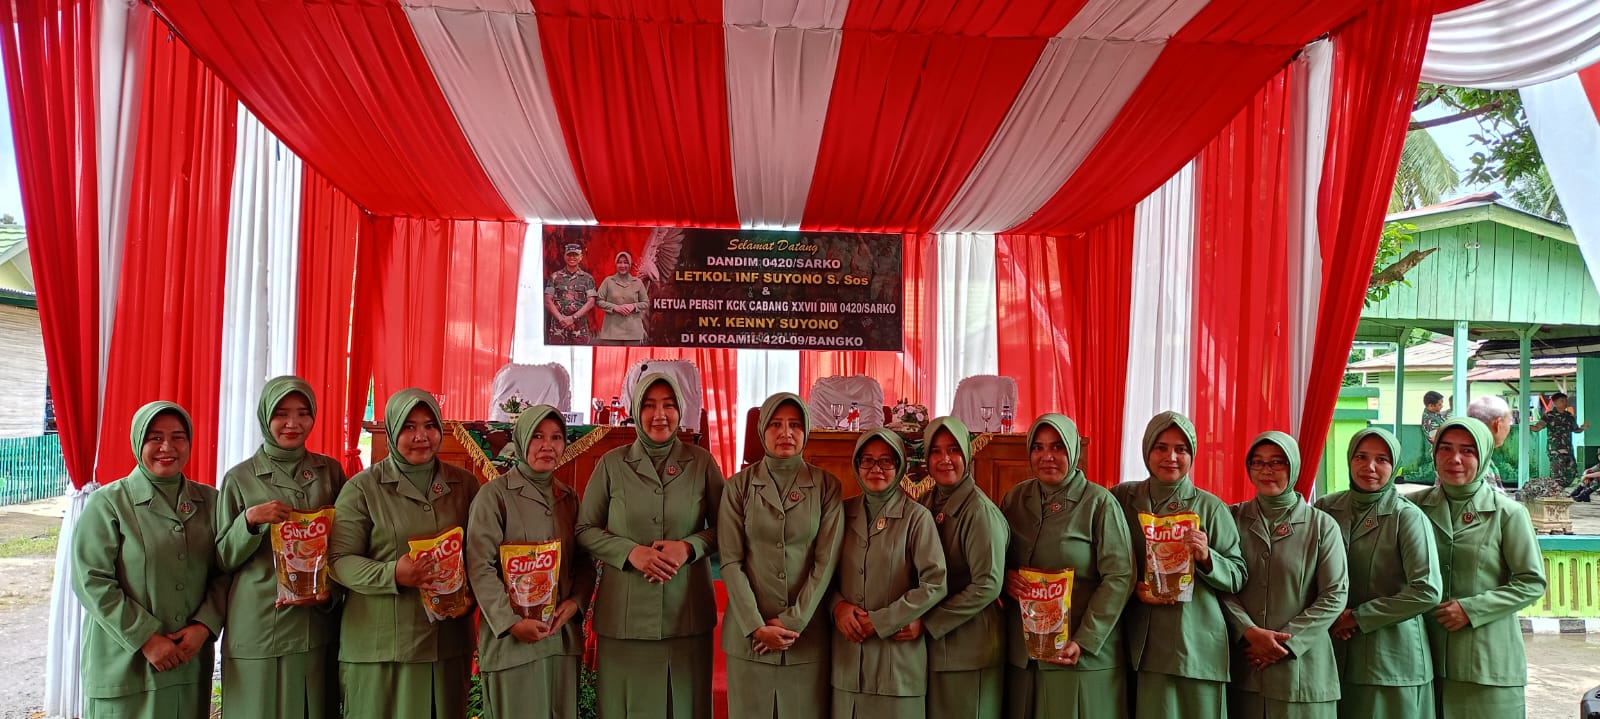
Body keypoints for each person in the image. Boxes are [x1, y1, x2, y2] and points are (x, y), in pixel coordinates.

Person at [577, 373, 724, 718]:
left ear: (680, 410)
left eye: (668, 405)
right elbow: (584, 529)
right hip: (624, 617)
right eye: (649, 405)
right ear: (635, 411)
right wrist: (630, 552)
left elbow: (727, 529)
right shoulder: (612, 464)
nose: (660, 415)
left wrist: (689, 547)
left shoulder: (702, 462)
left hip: (685, 614)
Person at [330, 388, 479, 719]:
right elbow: (338, 561)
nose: (421, 436)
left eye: (430, 425)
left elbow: (480, 553)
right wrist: (393, 574)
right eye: (409, 427)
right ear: (392, 429)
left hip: (446, 644)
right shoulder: (363, 488)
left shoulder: (465, 484)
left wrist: (472, 593)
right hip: (380, 647)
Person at [72, 401, 227, 718]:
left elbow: (225, 571)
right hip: (124, 665)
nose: (167, 447)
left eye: (178, 437)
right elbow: (91, 581)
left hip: (187, 662)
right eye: (155, 438)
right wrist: (146, 638)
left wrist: (204, 626)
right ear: (137, 442)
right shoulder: (109, 503)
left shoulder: (211, 501)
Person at [216, 377, 349, 718]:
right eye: (281, 414)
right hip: (259, 620)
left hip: (315, 621)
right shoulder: (240, 478)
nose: (293, 423)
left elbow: (347, 544)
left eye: (303, 413)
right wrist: (249, 521)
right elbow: (221, 558)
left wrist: (329, 594)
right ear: (265, 416)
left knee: (313, 706)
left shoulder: (330, 472)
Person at [1109, 411, 1247, 719]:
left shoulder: (1210, 506)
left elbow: (1238, 574)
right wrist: (1133, 587)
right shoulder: (1122, 498)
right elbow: (1106, 563)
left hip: (1195, 644)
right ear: (1147, 450)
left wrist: (1207, 557)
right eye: (1161, 447)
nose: (1170, 457)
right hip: (1139, 645)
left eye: (1181, 449)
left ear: (1192, 454)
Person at [1000, 414, 1134, 718]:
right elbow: (998, 556)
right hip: (1024, 659)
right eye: (1038, 447)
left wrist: (1085, 640)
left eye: (1058, 447)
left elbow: (1120, 576)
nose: (1047, 456)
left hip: (1080, 656)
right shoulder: (1015, 499)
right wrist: (1005, 578)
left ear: (1073, 450)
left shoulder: (1099, 503)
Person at [719, 393, 844, 718]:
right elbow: (730, 562)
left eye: (794, 425)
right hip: (749, 639)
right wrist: (755, 625)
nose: (785, 433)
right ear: (762, 430)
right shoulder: (737, 487)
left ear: (806, 430)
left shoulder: (827, 486)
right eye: (775, 424)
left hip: (806, 638)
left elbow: (825, 562)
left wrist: (792, 621)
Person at [466, 405, 595, 719]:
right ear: (522, 439)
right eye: (537, 436)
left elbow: (584, 560)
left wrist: (576, 602)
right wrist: (511, 623)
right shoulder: (494, 495)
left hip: (560, 639)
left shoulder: (568, 498)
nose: (547, 445)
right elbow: (479, 566)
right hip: (513, 644)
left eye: (556, 437)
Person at [1413, 417, 1547, 718]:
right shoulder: (1412, 509)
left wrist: (1471, 609)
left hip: (1486, 663)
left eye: (1468, 451)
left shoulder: (1507, 513)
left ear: (1484, 455)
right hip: (1422, 660)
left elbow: (1531, 582)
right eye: (1445, 448)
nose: (1455, 459)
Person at [1315, 427, 1441, 719]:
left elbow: (1427, 590)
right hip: (1333, 651)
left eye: (1381, 459)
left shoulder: (1406, 517)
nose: (1369, 467)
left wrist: (1357, 617)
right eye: (1361, 456)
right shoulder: (1327, 508)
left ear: (1395, 466)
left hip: (1391, 660)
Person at [1222, 431, 1349, 718]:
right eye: (1258, 462)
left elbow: (1334, 595)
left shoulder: (1322, 525)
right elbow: (1219, 585)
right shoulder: (1230, 518)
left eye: (1277, 462)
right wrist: (1248, 632)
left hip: (1304, 672)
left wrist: (1285, 643)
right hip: (1245, 669)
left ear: (1294, 467)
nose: (1266, 470)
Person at [829, 429, 948, 718]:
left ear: (900, 467)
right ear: (856, 465)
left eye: (886, 461)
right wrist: (836, 607)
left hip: (898, 666)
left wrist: (881, 621)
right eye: (867, 460)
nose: (876, 469)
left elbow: (935, 583)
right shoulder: (840, 513)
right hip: (848, 664)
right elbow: (821, 573)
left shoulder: (917, 518)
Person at [918, 416, 1008, 719]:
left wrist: (929, 622)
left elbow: (988, 584)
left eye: (954, 450)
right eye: (936, 451)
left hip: (970, 649)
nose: (945, 459)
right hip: (939, 648)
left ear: (967, 455)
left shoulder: (979, 511)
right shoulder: (928, 501)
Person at [592, 250, 649, 346]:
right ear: (616, 264)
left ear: (630, 264)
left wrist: (633, 306)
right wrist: (615, 307)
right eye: (619, 262)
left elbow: (646, 303)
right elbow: (598, 301)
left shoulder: (638, 282)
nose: (622, 265)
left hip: (633, 332)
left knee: (632, 356)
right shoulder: (608, 281)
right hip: (611, 332)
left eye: (625, 262)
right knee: (613, 356)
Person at [1531, 392, 1588, 484]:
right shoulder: (1549, 416)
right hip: (1555, 451)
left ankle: (1561, 488)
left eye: (1566, 401)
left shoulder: (1569, 416)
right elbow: (1537, 428)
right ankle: (1557, 490)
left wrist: (1582, 428)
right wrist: (1525, 426)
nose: (1565, 403)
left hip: (1568, 450)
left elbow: (1575, 430)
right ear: (1555, 402)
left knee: (1572, 473)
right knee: (1558, 475)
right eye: (1562, 401)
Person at [546, 243, 597, 344]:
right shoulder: (554, 277)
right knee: (557, 353)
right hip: (558, 328)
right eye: (569, 255)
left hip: (579, 328)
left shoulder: (588, 278)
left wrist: (573, 318)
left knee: (580, 353)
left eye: (575, 255)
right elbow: (547, 301)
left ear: (581, 257)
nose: (572, 258)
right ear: (564, 256)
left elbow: (591, 302)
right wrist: (562, 320)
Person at [1464, 396, 1512, 492]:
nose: (1509, 428)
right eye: (1509, 422)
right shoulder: (1477, 460)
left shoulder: (1469, 452)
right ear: (1497, 424)